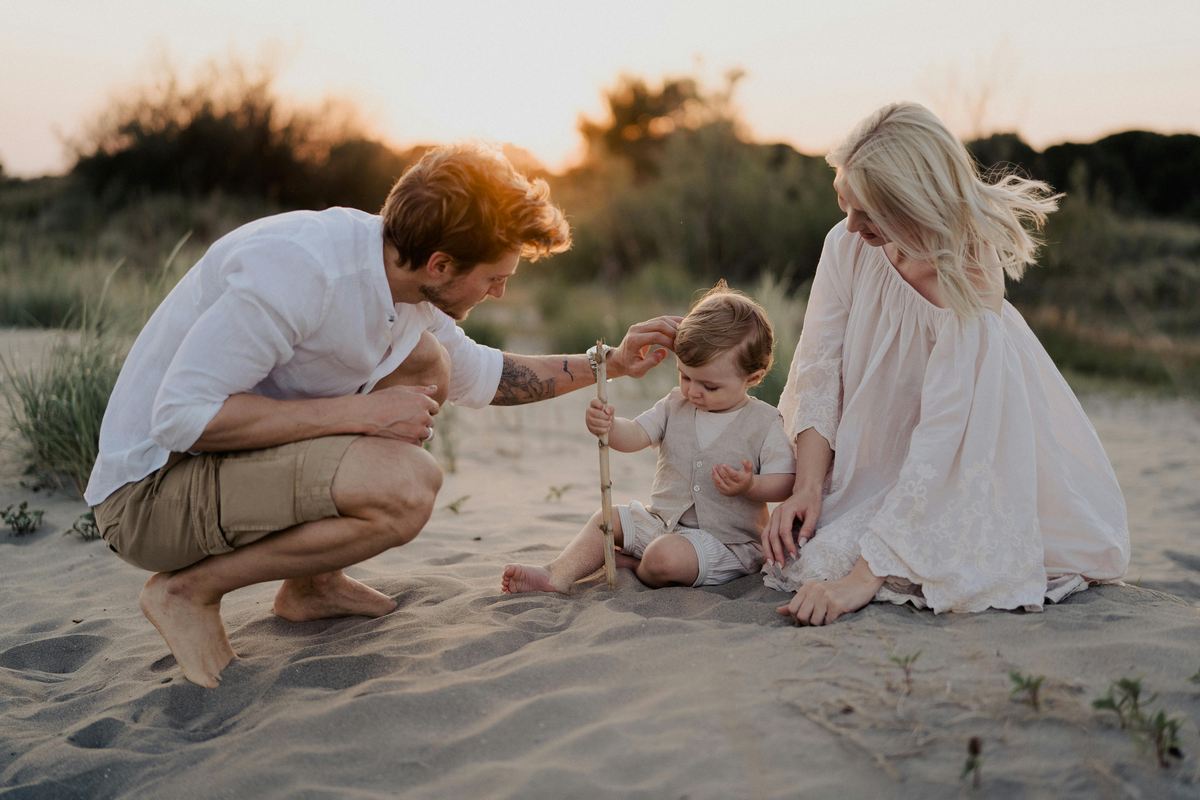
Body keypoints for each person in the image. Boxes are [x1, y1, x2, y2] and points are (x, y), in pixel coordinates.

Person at [85, 142, 680, 687]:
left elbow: (489, 378)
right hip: (149, 492)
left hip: (217, 467)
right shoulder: (301, 271)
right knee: (406, 487)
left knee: (430, 363)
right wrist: (361, 414)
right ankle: (188, 593)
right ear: (442, 266)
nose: (499, 293)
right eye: (494, 279)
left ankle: (311, 586)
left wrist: (612, 365)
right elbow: (184, 419)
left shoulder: (404, 280)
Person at [763, 102, 1130, 626]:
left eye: (869, 212)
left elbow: (943, 437)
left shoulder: (968, 282)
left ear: (912, 204)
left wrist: (865, 577)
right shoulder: (845, 245)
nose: (850, 224)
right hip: (870, 449)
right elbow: (820, 367)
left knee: (848, 561)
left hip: (962, 451)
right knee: (806, 547)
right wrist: (808, 486)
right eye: (846, 202)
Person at [502, 282, 795, 594]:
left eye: (709, 386)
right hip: (662, 523)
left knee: (663, 557)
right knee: (607, 517)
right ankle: (556, 574)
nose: (694, 391)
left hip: (724, 543)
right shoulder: (674, 405)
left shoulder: (764, 421)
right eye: (685, 376)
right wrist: (610, 427)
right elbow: (636, 435)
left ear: (752, 377)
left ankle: (635, 566)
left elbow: (786, 482)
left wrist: (751, 486)